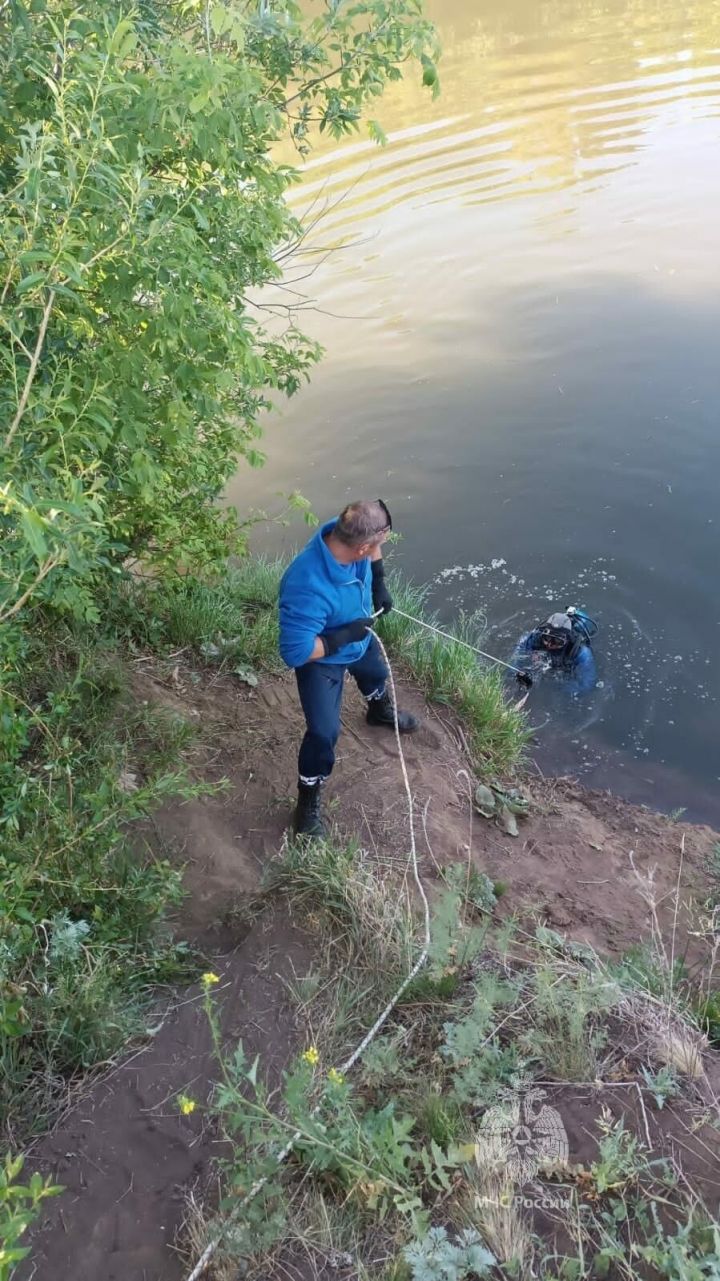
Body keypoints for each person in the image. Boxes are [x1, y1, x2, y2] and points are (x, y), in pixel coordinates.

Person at [279, 499, 420, 838]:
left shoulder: (346, 530)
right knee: (323, 734)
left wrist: (378, 582)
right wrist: (340, 638)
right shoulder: (305, 585)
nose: (380, 547)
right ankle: (308, 800)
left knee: (376, 674)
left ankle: (378, 711)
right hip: (322, 660)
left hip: (358, 636)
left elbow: (373, 549)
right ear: (361, 548)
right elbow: (295, 651)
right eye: (379, 544)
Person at [515, 608, 598, 695]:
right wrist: (518, 673)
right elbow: (518, 652)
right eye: (547, 638)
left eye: (557, 641)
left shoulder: (581, 653)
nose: (549, 644)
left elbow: (587, 684)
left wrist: (556, 687)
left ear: (567, 640)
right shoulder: (535, 637)